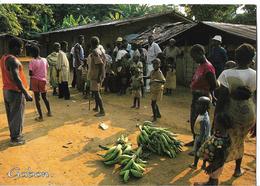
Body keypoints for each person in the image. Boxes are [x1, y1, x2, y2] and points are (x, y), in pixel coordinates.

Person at [215, 43, 256, 178]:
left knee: (222, 142)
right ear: (251, 60)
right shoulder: (255, 74)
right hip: (249, 115)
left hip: (230, 114)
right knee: (240, 140)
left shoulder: (227, 74)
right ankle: (237, 170)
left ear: (235, 58)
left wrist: (217, 117)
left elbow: (221, 99)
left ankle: (213, 178)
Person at [0, 37, 33, 145]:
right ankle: (16, 138)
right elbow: (16, 79)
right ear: (15, 47)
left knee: (12, 115)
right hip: (15, 91)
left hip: (7, 90)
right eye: (20, 48)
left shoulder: (4, 57)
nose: (21, 51)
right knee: (17, 115)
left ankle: (14, 134)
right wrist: (26, 93)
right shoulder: (13, 60)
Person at [188, 44, 217, 146]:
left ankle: (201, 144)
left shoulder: (208, 67)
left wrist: (211, 95)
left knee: (201, 122)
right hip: (196, 98)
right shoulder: (201, 66)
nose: (194, 59)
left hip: (202, 100)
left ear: (200, 53)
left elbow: (214, 84)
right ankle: (195, 140)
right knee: (194, 120)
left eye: (194, 57)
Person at [195, 113, 232, 186]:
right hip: (213, 162)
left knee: (214, 176)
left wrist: (212, 166)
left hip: (216, 164)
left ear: (223, 125)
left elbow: (221, 158)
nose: (214, 124)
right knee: (213, 176)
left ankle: (211, 184)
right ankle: (210, 183)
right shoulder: (219, 134)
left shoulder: (221, 143)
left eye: (216, 123)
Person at [28, 45, 52, 121]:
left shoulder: (32, 61)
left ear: (32, 53)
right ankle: (49, 112)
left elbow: (30, 73)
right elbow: (46, 68)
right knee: (44, 97)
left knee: (37, 99)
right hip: (43, 80)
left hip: (35, 81)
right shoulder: (45, 60)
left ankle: (40, 117)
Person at [189, 96, 211, 169]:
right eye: (197, 104)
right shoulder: (205, 113)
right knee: (205, 153)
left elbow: (202, 131)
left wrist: (199, 141)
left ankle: (195, 164)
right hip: (207, 137)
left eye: (199, 105)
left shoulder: (203, 119)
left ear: (205, 107)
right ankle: (204, 165)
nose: (197, 106)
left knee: (197, 152)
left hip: (201, 138)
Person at [87, 36, 106, 117]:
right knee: (95, 91)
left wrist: (99, 77)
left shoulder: (95, 52)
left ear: (92, 44)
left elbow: (101, 64)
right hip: (97, 74)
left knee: (96, 92)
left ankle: (102, 111)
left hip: (96, 76)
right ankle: (97, 107)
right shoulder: (99, 50)